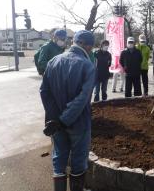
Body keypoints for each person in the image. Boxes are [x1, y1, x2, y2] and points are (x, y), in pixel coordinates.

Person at [40, 30, 96, 191]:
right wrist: (64, 119)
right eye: (91, 47)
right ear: (86, 45)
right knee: (78, 160)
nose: (90, 50)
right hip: (77, 122)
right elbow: (83, 98)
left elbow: (44, 92)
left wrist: (54, 118)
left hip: (55, 122)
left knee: (59, 157)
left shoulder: (53, 62)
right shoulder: (87, 65)